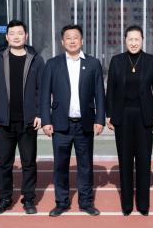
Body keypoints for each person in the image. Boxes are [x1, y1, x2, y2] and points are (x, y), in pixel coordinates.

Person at [40, 24, 106, 217]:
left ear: (82, 40)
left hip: (85, 123)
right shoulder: (53, 64)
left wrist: (100, 119)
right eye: (68, 38)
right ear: (62, 42)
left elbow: (99, 94)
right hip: (61, 124)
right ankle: (61, 202)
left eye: (75, 37)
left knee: (85, 165)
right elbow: (44, 95)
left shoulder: (93, 63)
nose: (72, 41)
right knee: (60, 165)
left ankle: (86, 202)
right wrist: (46, 120)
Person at [0, 20, 45, 215]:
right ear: (6, 37)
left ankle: (29, 199)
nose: (16, 36)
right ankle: (4, 199)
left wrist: (40, 114)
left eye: (20, 33)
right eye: (12, 33)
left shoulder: (36, 59)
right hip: (4, 121)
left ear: (26, 36)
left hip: (28, 121)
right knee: (5, 164)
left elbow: (41, 90)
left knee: (29, 163)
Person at [106, 25, 153, 216]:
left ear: (142, 40)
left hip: (144, 117)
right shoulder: (116, 61)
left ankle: (143, 204)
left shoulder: (151, 61)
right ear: (125, 40)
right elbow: (111, 90)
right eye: (130, 39)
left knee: (144, 160)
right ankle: (127, 205)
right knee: (125, 161)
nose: (133, 43)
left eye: (137, 39)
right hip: (122, 117)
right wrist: (109, 114)